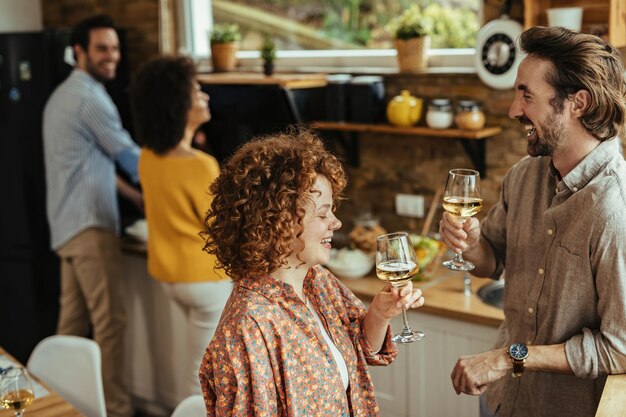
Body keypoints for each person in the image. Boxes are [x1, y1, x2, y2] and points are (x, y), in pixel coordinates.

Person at [440, 26, 626, 417]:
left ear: (578, 103)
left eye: (527, 95)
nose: (513, 110)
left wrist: (511, 357)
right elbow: (493, 262)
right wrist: (471, 242)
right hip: (504, 398)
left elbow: (621, 348)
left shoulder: (614, 209)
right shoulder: (524, 176)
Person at [199, 130, 425, 416]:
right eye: (322, 214)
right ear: (278, 222)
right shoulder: (247, 327)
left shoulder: (318, 280)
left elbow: (359, 349)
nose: (337, 222)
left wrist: (379, 315)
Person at [42, 14, 139, 417]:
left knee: (71, 331)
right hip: (90, 228)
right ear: (79, 51)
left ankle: (64, 408)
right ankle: (115, 411)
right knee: (110, 327)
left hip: (66, 227)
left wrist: (136, 196)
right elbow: (129, 157)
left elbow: (91, 165)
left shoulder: (62, 96)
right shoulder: (91, 98)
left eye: (115, 48)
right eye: (102, 48)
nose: (111, 56)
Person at [129, 56, 232, 399]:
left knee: (190, 367)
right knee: (204, 379)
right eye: (196, 91)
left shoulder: (147, 156)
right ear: (179, 105)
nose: (204, 96)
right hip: (206, 282)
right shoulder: (200, 165)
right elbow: (222, 226)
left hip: (170, 277)